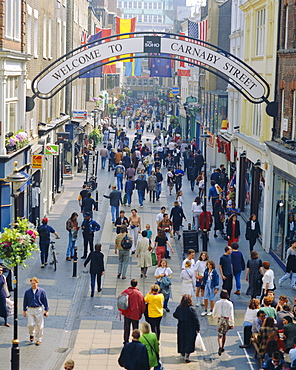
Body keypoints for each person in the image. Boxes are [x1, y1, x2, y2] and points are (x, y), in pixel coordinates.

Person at [173, 294, 200, 363]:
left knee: (182, 339)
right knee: (189, 341)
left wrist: (180, 317)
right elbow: (195, 319)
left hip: (181, 326)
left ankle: (182, 351)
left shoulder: (179, 307)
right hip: (190, 327)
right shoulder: (191, 309)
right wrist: (198, 328)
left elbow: (175, 315)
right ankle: (187, 355)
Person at [118, 279, 146, 344]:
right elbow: (143, 305)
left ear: (130, 284)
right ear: (137, 284)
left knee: (126, 328)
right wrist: (141, 312)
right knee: (135, 328)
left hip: (127, 313)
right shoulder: (139, 293)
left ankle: (126, 340)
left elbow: (120, 299)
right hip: (135, 313)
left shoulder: (126, 291)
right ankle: (135, 340)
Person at [23, 277, 49, 346]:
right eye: (32, 283)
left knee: (39, 325)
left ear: (37, 283)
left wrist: (46, 310)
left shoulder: (41, 291)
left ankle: (38, 339)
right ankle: (32, 334)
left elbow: (45, 300)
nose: (33, 285)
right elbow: (25, 301)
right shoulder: (27, 292)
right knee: (30, 324)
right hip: (30, 309)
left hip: (38, 309)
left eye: (34, 283)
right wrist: (24, 310)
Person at [212, 289, 234, 356]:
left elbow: (214, 311)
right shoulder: (230, 303)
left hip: (220, 319)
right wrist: (232, 323)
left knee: (219, 335)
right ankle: (223, 347)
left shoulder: (217, 303)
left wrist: (215, 316)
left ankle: (220, 346)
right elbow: (231, 314)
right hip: (226, 320)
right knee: (224, 334)